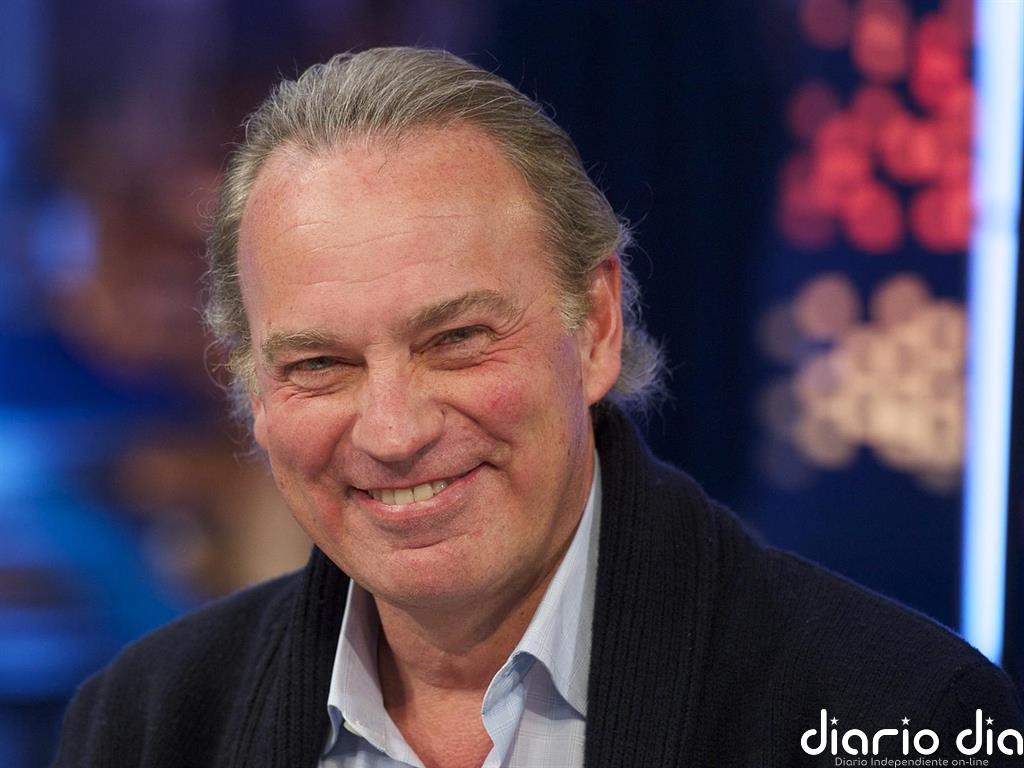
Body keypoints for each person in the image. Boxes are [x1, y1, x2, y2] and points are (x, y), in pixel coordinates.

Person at [53, 47, 1022, 768]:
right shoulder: (141, 727)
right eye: (318, 363)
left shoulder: (905, 716)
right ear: (254, 392)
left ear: (595, 326)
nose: (393, 431)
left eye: (457, 339)